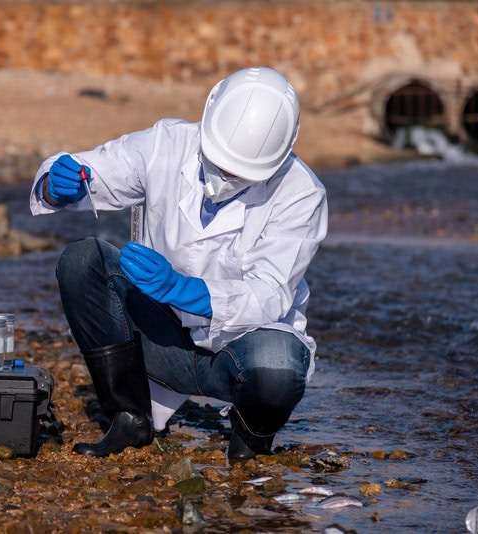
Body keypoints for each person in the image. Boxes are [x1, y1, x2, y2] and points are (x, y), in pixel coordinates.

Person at [29, 67, 328, 460]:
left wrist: (185, 290)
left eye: (241, 173)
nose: (225, 175)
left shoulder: (301, 194)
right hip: (159, 336)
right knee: (84, 260)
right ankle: (129, 418)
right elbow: (94, 171)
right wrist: (55, 183)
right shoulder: (165, 144)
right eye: (220, 161)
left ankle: (251, 439)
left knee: (277, 370)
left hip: (240, 348)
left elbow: (270, 295)